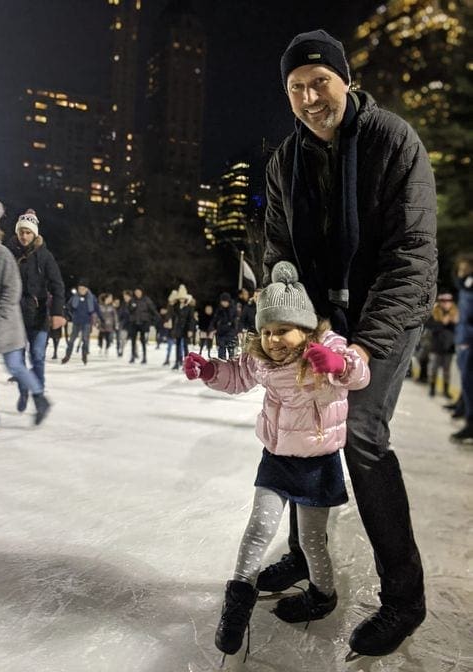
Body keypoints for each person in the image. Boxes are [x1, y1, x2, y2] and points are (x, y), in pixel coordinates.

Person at [260, 30, 437, 657]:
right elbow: (279, 253)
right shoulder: (287, 161)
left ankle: (404, 598)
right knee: (301, 422)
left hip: (388, 311)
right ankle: (304, 558)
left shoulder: (393, 141)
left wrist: (364, 345)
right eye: (296, 89)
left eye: (320, 82)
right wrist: (285, 323)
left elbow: (410, 255)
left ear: (344, 80)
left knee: (359, 434)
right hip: (321, 315)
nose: (310, 98)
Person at [183, 262, 370, 659]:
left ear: (304, 328)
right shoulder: (261, 360)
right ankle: (238, 605)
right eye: (266, 332)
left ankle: (323, 595)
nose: (273, 340)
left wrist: (338, 365)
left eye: (282, 330)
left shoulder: (327, 348)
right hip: (276, 457)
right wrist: (209, 370)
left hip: (317, 462)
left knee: (310, 540)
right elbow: (236, 376)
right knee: (256, 531)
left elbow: (358, 374)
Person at [0, 199, 51, 427]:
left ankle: (39, 397)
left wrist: (0, 311)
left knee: (14, 365)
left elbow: (13, 287)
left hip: (4, 322)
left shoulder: (1, 253)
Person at [6, 209, 66, 412]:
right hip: (15, 316)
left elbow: (58, 285)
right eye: (21, 231)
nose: (24, 236)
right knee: (19, 359)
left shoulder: (45, 256)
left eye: (28, 232)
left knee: (38, 356)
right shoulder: (9, 253)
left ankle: (38, 395)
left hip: (39, 315)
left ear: (35, 234)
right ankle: (24, 391)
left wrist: (58, 312)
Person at [449, 253, 473, 444]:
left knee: (469, 383)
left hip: (469, 340)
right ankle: (464, 413)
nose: (461, 270)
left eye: (464, 267)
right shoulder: (466, 284)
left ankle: (470, 423)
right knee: (466, 382)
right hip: (464, 338)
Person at [61, 280, 101, 365]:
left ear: (86, 289)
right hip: (76, 322)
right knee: (71, 340)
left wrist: (101, 319)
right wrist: (66, 315)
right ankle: (67, 356)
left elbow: (97, 309)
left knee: (85, 340)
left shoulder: (91, 298)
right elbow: (68, 307)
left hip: (86, 322)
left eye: (83, 288)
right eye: (79, 288)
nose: (81, 290)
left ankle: (84, 355)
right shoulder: (74, 297)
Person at [426, 292, 458, 398]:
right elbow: (430, 327)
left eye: (448, 301)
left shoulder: (455, 315)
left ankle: (445, 391)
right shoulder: (435, 313)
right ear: (440, 302)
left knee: (446, 371)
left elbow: (459, 331)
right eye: (444, 301)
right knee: (433, 369)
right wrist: (442, 323)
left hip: (449, 348)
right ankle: (431, 389)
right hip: (436, 347)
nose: (446, 303)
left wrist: (454, 323)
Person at [128, 285, 159, 364]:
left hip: (143, 322)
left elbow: (152, 309)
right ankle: (133, 356)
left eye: (139, 292)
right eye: (136, 292)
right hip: (134, 322)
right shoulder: (132, 300)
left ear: (141, 292)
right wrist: (132, 307)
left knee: (143, 340)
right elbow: (129, 310)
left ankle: (144, 357)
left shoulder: (146, 300)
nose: (137, 293)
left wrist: (156, 317)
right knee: (133, 340)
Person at [209, 292, 238, 360]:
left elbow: (235, 322)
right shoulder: (218, 309)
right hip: (220, 334)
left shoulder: (233, 309)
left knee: (231, 354)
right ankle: (222, 368)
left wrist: (235, 331)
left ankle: (232, 369)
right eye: (223, 301)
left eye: (226, 301)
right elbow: (214, 320)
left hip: (230, 334)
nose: (224, 303)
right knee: (221, 354)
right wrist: (212, 328)